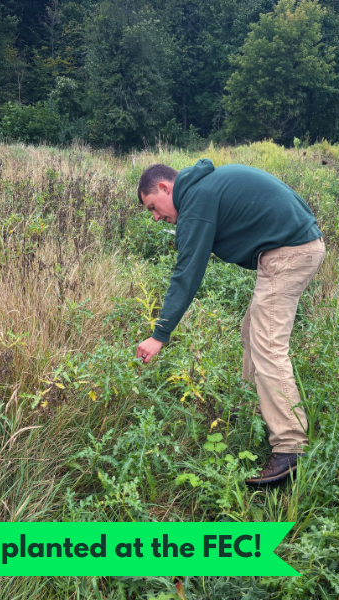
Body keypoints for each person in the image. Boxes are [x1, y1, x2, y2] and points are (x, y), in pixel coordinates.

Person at [135, 160, 325, 485]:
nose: (155, 217)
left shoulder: (194, 200)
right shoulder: (203, 188)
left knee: (268, 346)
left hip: (289, 253)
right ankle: (255, 408)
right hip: (291, 247)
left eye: (153, 206)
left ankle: (291, 447)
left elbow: (186, 274)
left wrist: (159, 334)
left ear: (166, 188)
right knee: (251, 332)